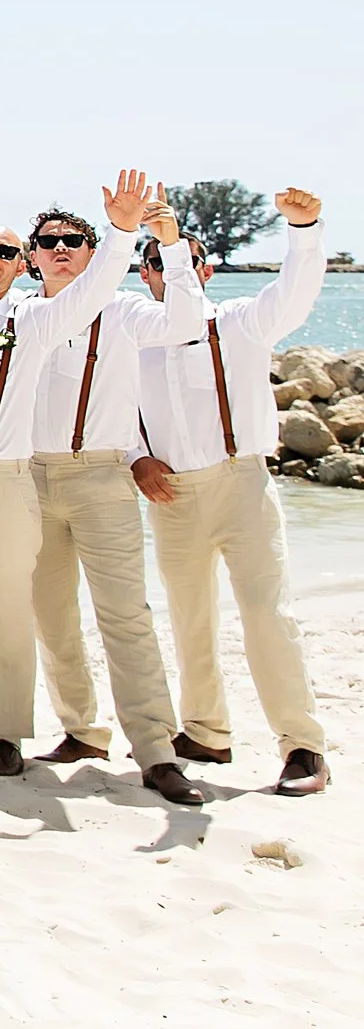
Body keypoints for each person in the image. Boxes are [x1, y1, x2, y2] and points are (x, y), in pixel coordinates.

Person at [0, 172, 154, 778]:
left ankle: (12, 736)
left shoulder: (31, 320)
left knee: (12, 611)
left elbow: (92, 292)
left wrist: (121, 231)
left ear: (15, 265)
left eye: (4, 252)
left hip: (9, 480)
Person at [134, 189, 332, 796]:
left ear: (205, 270)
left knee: (267, 614)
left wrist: (303, 229)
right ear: (146, 275)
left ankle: (302, 747)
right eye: (160, 263)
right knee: (189, 618)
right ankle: (206, 732)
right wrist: (135, 458)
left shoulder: (243, 320)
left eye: (184, 262)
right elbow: (113, 414)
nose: (173, 272)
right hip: (171, 497)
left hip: (241, 484)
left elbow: (296, 292)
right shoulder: (134, 333)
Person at [21, 197, 207, 805]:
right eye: (48, 241)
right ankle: (81, 731)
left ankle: (156, 751)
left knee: (125, 616)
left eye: (74, 240)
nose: (60, 249)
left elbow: (185, 324)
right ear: (32, 257)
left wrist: (171, 245)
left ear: (95, 254)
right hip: (28, 480)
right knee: (50, 617)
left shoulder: (124, 310)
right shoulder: (17, 315)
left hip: (101, 479)